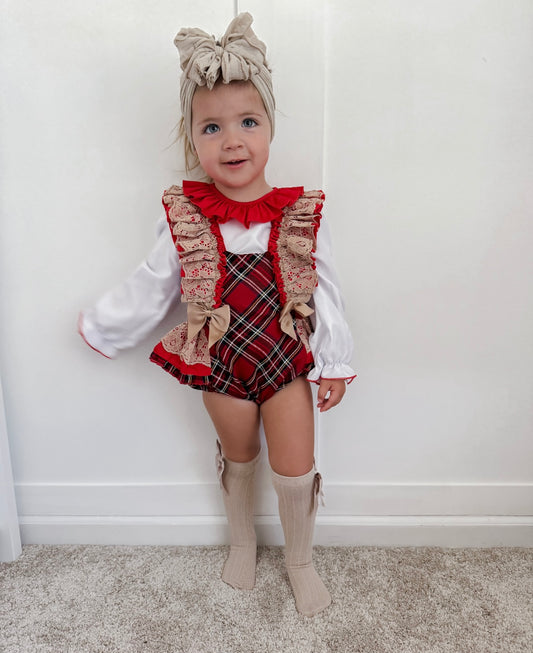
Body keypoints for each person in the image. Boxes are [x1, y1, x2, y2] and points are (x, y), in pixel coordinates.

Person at [79, 12, 355, 617]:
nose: (232, 141)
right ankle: (241, 538)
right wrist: (103, 323)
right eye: (212, 127)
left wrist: (334, 359)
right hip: (221, 359)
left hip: (285, 358)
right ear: (192, 136)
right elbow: (155, 282)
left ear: (270, 128)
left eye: (248, 122)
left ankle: (300, 559)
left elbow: (327, 289)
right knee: (240, 456)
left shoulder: (300, 216)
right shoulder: (185, 217)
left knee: (294, 463)